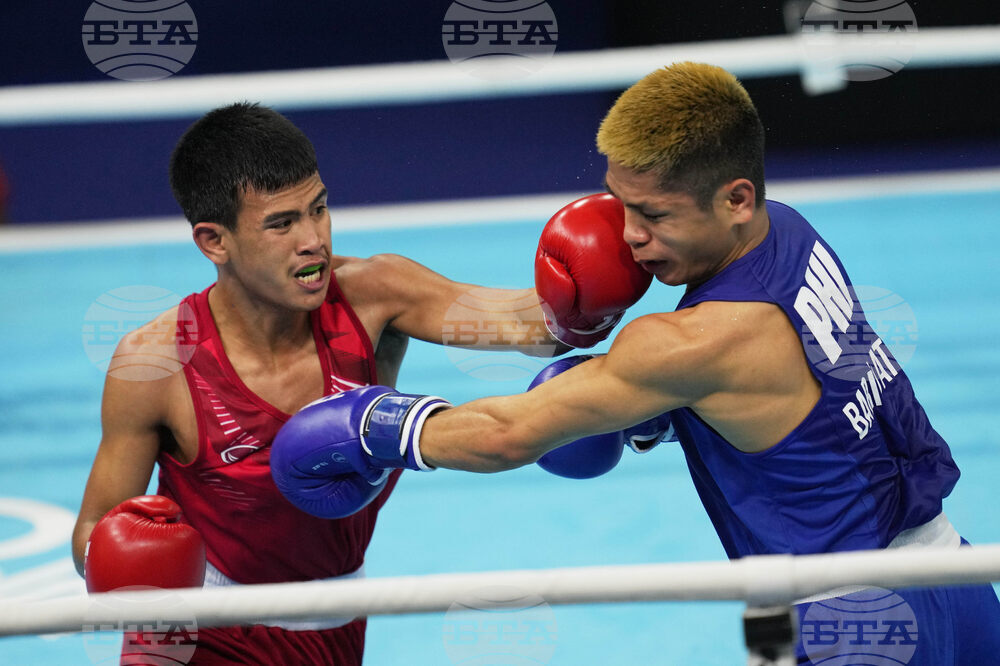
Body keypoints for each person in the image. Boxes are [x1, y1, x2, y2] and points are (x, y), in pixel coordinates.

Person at [271, 63, 1000, 664]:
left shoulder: (687, 344)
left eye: (654, 215)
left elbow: (506, 433)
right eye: (621, 205)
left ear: (736, 198)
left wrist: (378, 425)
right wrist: (676, 422)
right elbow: (809, 401)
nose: (631, 238)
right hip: (952, 578)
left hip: (851, 625)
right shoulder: (795, 236)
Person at [70, 102, 653, 664]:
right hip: (201, 637)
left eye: (318, 209)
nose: (313, 240)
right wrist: (124, 561)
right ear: (214, 241)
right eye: (282, 224)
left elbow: (529, 325)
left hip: (338, 619)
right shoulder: (156, 362)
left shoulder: (373, 294)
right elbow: (93, 530)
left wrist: (601, 275)